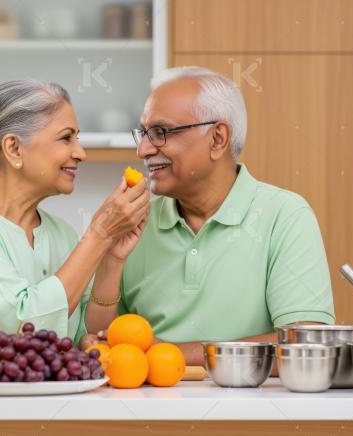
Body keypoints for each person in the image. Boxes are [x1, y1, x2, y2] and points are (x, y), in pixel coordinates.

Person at [82, 67, 335, 365]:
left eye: (160, 132)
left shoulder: (285, 216)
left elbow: (305, 344)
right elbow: (99, 335)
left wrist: (172, 354)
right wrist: (112, 260)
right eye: (144, 133)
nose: (143, 149)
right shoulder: (135, 222)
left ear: (217, 138)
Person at [0, 80, 149, 344]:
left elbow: (88, 334)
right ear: (14, 148)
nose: (80, 153)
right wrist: (99, 234)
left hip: (37, 387)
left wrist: (111, 260)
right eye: (66, 138)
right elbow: (24, 327)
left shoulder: (61, 234)